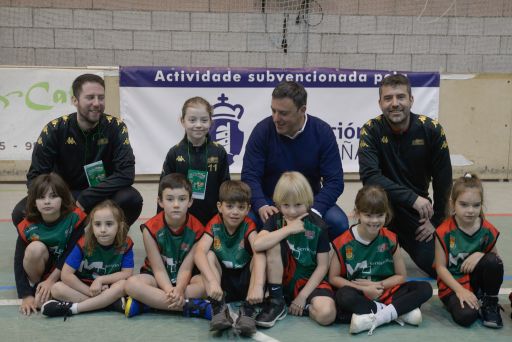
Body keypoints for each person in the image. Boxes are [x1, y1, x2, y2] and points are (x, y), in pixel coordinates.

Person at [11, 73, 143, 228]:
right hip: (64, 197)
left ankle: (110, 242)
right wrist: (55, 199)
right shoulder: (54, 129)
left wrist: (87, 197)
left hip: (102, 193)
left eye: (101, 97)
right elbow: (35, 177)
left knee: (131, 198)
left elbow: (126, 174)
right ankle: (55, 241)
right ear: (75, 100)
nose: (97, 103)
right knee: (20, 213)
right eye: (90, 97)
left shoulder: (115, 127)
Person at [358, 73, 452, 277]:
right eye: (388, 98)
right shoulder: (371, 130)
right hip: (380, 210)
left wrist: (436, 221)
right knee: (363, 270)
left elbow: (444, 182)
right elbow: (370, 177)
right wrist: (412, 198)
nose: (395, 104)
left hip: (416, 216)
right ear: (380, 103)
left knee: (436, 267)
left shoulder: (432, 130)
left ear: (411, 100)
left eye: (400, 97)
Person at [241, 81, 348, 240]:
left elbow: (335, 181)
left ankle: (327, 263)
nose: (276, 118)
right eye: (273, 110)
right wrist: (261, 205)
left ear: (302, 110)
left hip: (309, 203)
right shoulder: (262, 131)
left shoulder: (322, 132)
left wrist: (314, 210)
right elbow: (250, 175)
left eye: (283, 113)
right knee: (245, 221)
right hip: (270, 202)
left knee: (339, 223)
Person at [329, 185, 432, 335]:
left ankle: (377, 316)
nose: (374, 220)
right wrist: (363, 289)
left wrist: (377, 285)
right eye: (368, 215)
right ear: (357, 213)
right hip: (359, 294)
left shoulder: (390, 238)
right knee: (343, 296)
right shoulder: (343, 242)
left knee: (425, 288)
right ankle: (398, 312)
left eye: (379, 215)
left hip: (386, 291)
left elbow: (401, 276)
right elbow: (333, 277)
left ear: (386, 214)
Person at [253, 171, 336, 328]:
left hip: (308, 283)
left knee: (327, 314)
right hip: (281, 283)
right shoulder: (275, 220)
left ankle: (300, 307)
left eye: (298, 205)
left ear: (308, 201)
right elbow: (257, 244)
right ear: (278, 204)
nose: (291, 211)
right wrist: (288, 230)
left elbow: (323, 266)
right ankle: (277, 302)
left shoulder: (319, 225)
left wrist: (302, 297)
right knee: (271, 242)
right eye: (286, 205)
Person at [124, 174, 211, 320]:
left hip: (185, 281)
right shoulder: (149, 229)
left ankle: (148, 305)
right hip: (157, 279)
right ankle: (191, 307)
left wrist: (179, 289)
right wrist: (170, 290)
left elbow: (187, 268)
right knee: (131, 284)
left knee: (205, 283)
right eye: (170, 199)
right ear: (160, 202)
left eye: (182, 199)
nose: (176, 204)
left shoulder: (197, 230)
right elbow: (158, 269)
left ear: (190, 201)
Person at [194, 180, 265, 335]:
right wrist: (212, 282)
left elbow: (259, 253)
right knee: (209, 255)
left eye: (241, 207)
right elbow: (198, 253)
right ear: (220, 207)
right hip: (223, 284)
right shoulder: (214, 224)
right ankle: (218, 308)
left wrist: (258, 286)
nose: (235, 212)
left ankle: (248, 310)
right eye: (230, 206)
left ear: (248, 209)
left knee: (258, 254)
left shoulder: (249, 225)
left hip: (245, 282)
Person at [41, 200, 133, 318]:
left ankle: (74, 308)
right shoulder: (84, 243)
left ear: (119, 226)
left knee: (124, 284)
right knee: (56, 289)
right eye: (98, 224)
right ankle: (110, 304)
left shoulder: (126, 244)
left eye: (109, 224)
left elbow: (127, 273)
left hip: (108, 287)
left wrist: (101, 280)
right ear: (92, 225)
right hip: (84, 287)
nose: (103, 229)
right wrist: (89, 290)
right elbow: (66, 275)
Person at [435, 173, 503, 328]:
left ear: (481, 205)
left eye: (476, 205)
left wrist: (481, 254)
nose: (471, 210)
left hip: (475, 281)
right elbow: (440, 268)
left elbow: (495, 261)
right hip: (453, 285)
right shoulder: (444, 231)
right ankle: (474, 302)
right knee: (466, 317)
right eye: (464, 205)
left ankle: (490, 303)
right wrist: (460, 291)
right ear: (453, 204)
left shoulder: (487, 230)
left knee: (492, 261)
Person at [14, 173, 87, 315]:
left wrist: (52, 280)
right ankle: (39, 287)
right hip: (43, 270)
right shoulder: (27, 226)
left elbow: (71, 253)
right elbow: (18, 262)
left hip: (69, 270)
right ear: (34, 201)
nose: (47, 201)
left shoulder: (75, 219)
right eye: (41, 197)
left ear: (63, 199)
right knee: (35, 249)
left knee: (46, 298)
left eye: (53, 196)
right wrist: (26, 295)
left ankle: (98, 301)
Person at [159, 97, 230, 226]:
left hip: (213, 219)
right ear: (182, 121)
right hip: (182, 221)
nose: (198, 125)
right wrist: (160, 223)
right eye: (192, 120)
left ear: (211, 122)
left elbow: (225, 189)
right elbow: (164, 189)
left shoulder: (219, 152)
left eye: (204, 120)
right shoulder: (174, 153)